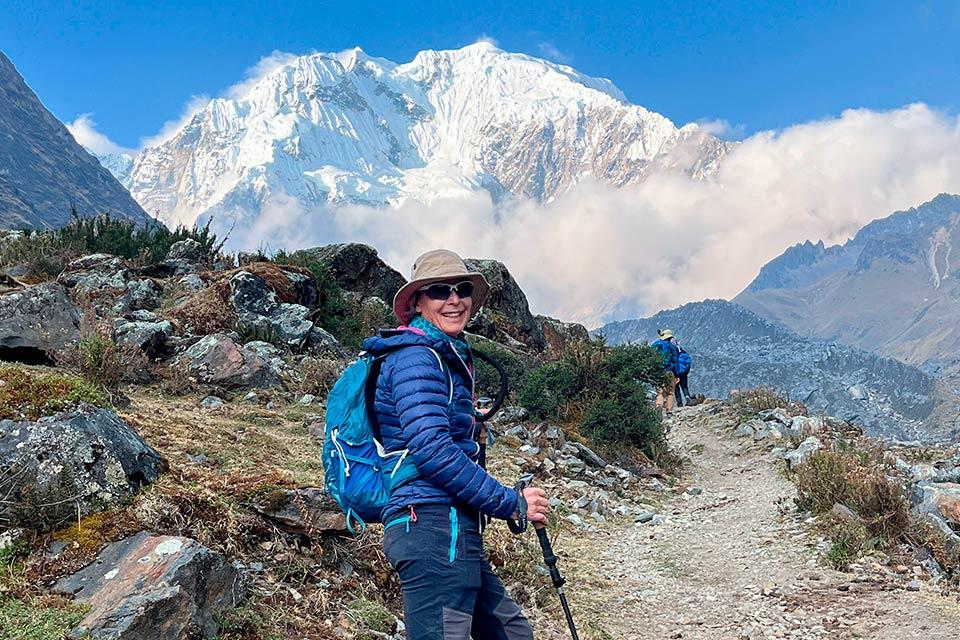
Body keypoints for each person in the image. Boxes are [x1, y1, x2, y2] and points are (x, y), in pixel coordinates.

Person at [365, 249, 548, 640]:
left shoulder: (441, 356)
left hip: (449, 528)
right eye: (438, 291)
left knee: (511, 633)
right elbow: (432, 450)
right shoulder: (417, 358)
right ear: (417, 302)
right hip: (431, 528)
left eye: (462, 289)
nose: (454, 299)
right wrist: (510, 502)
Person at [651, 328, 680, 415]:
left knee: (660, 392)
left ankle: (658, 407)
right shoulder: (672, 346)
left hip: (659, 371)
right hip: (669, 371)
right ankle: (669, 411)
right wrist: (677, 374)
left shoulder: (655, 345)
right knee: (670, 392)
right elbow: (675, 361)